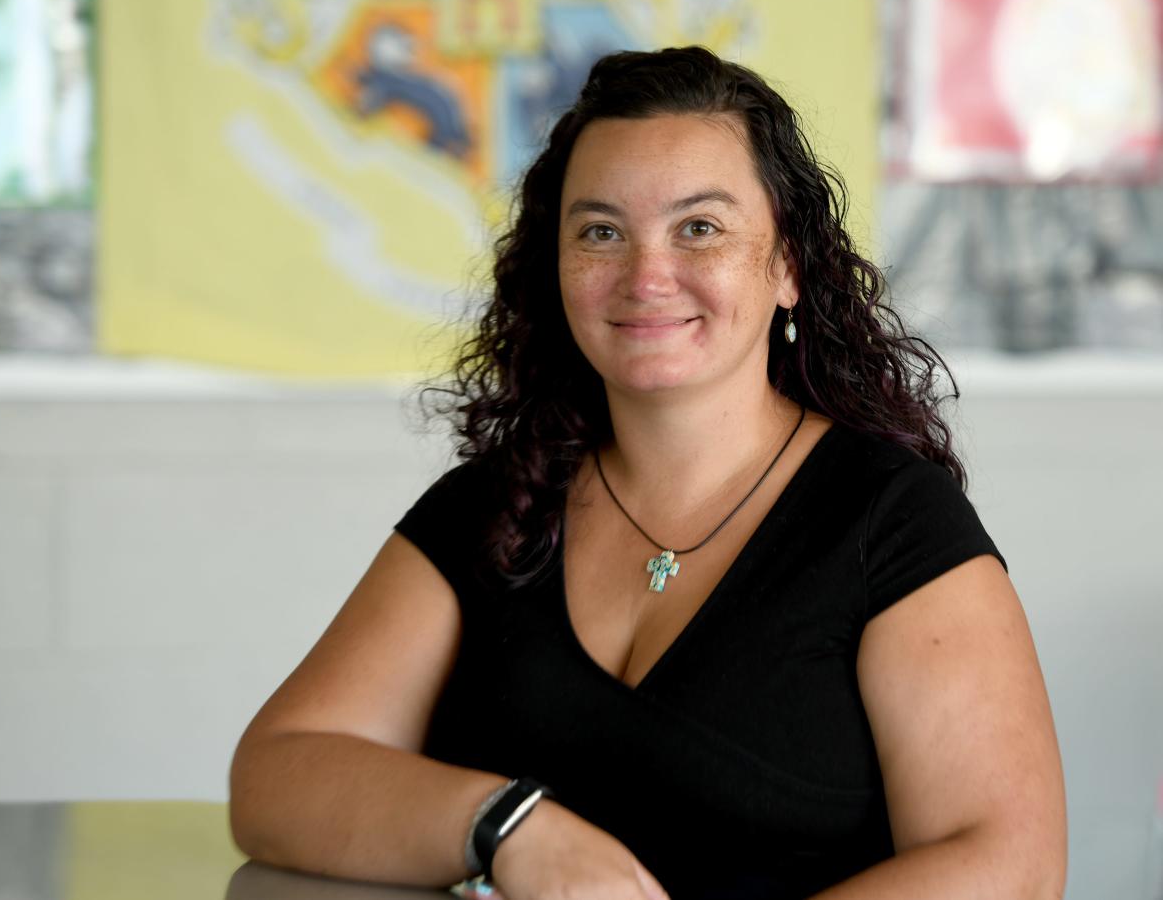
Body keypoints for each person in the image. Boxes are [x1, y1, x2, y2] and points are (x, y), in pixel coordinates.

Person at [229, 47, 1066, 899]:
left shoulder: (890, 519)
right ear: (553, 269)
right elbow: (276, 776)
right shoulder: (499, 502)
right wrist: (506, 826)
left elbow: (1009, 863)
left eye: (698, 227)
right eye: (600, 232)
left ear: (787, 268)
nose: (646, 276)